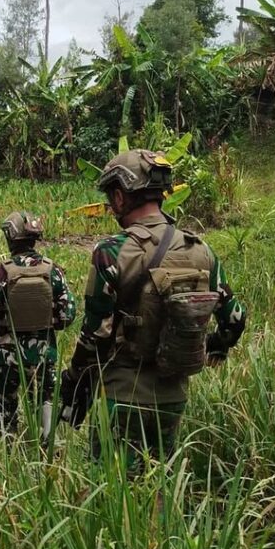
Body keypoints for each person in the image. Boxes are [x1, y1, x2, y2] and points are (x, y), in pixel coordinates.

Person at [59, 149, 246, 477]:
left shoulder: (112, 252)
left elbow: (95, 337)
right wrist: (214, 346)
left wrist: (74, 380)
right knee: (158, 486)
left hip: (122, 395)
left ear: (120, 197)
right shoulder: (201, 250)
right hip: (173, 397)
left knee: (113, 496)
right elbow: (235, 318)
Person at [0, 211, 76, 446]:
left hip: (6, 357)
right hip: (45, 354)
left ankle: (6, 450)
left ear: (10, 238)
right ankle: (49, 448)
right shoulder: (53, 271)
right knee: (47, 401)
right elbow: (67, 316)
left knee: (2, 403)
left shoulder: (0, 273)